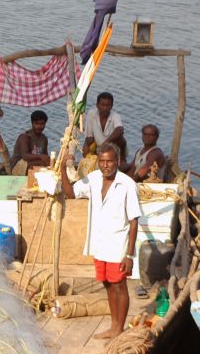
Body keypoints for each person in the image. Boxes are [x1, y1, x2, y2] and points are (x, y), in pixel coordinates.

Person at [60, 142, 141, 339]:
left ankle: (119, 328)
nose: (106, 165)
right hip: (100, 243)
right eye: (102, 161)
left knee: (119, 285)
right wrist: (62, 169)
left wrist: (129, 254)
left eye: (110, 161)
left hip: (118, 246)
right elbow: (70, 193)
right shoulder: (94, 179)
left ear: (118, 161)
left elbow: (134, 222)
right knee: (107, 283)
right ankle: (114, 326)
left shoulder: (127, 184)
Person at [83, 92, 127, 161]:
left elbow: (120, 129)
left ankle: (121, 159)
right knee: (87, 151)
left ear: (112, 106)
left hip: (114, 149)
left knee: (120, 137)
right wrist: (86, 146)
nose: (105, 108)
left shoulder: (115, 116)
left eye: (108, 105)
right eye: (102, 105)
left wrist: (106, 143)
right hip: (99, 147)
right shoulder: (91, 114)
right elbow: (89, 137)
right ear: (97, 105)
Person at [10, 110, 50, 176]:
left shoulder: (44, 139)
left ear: (45, 124)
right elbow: (25, 156)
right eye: (36, 124)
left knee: (48, 162)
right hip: (19, 165)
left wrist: (47, 159)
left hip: (34, 163)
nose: (39, 126)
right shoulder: (25, 137)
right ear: (32, 123)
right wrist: (41, 156)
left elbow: (45, 156)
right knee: (42, 163)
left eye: (42, 124)